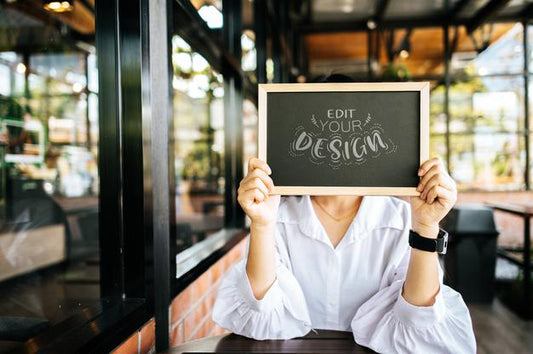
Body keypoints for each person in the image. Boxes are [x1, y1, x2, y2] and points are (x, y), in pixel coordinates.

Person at [212, 155, 476, 353]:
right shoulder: (275, 216)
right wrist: (261, 224)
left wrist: (426, 228)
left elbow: (419, 321)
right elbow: (260, 308)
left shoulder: (402, 219)